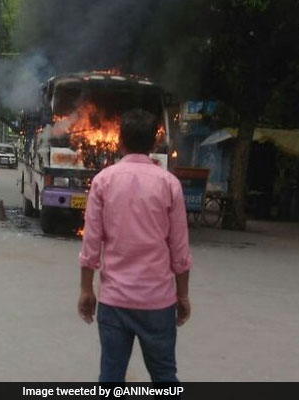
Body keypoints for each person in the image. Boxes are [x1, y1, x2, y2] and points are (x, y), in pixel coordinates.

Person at [78, 109, 192, 383]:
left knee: (111, 377)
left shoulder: (103, 181)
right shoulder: (169, 184)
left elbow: (91, 244)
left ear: (120, 141)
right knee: (165, 376)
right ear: (155, 143)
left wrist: (85, 290)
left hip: (114, 301)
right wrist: (183, 295)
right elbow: (180, 250)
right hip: (158, 301)